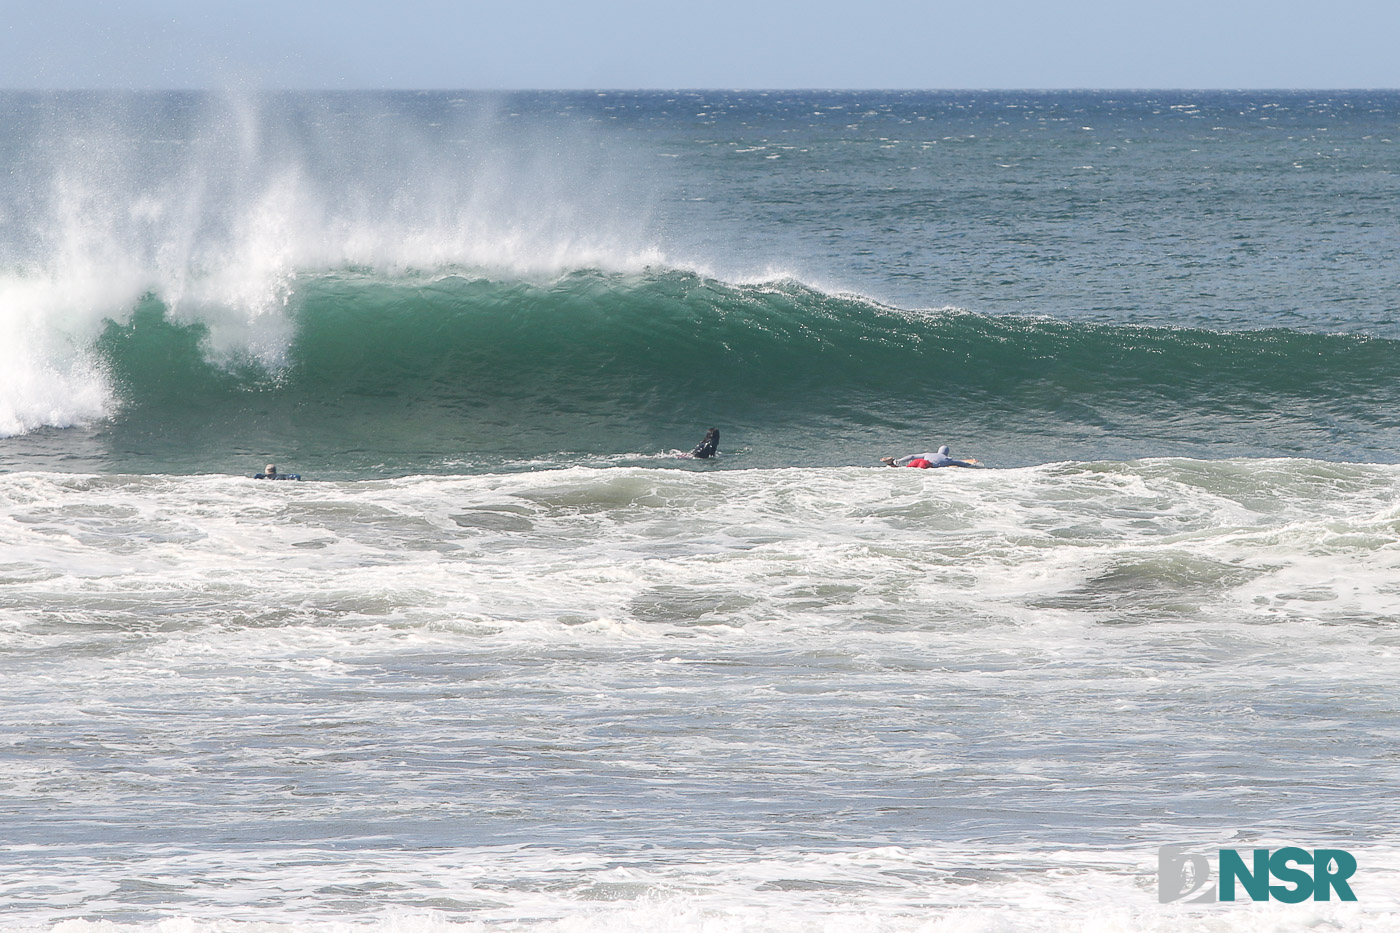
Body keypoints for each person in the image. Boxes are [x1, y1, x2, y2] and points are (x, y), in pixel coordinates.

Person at [880, 445, 980, 469]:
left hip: (920, 460)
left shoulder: (928, 454)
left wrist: (900, 460)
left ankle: (892, 462)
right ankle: (892, 463)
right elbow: (962, 463)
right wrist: (973, 462)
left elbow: (912, 456)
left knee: (905, 469)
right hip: (927, 464)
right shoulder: (948, 459)